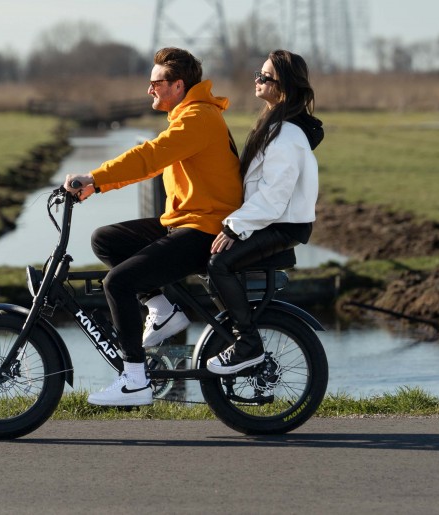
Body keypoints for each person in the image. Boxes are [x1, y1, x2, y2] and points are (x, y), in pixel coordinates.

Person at [65, 47, 242, 406]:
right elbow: (152, 164)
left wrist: (94, 177)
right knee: (107, 240)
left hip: (205, 230)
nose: (149, 89)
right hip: (185, 222)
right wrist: (97, 186)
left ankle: (134, 379)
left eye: (156, 82)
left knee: (118, 282)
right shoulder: (188, 116)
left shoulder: (198, 118)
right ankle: (161, 310)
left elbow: (149, 156)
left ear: (178, 85)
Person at [205, 49, 324, 374]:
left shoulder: (287, 134)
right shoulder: (274, 124)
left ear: (283, 85)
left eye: (265, 76)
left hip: (283, 224)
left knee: (219, 264)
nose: (256, 79)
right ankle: (238, 331)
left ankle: (247, 343)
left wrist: (234, 227)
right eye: (258, 74)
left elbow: (274, 195)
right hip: (273, 220)